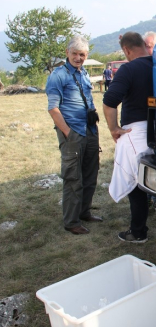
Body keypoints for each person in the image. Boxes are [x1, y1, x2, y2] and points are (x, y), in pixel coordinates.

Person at [45, 35, 102, 235]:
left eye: (83, 54)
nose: (79, 58)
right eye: (75, 54)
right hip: (73, 132)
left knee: (90, 174)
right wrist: (68, 133)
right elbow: (53, 108)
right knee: (73, 178)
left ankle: (84, 212)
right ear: (67, 53)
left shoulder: (83, 73)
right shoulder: (58, 75)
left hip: (90, 130)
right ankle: (71, 221)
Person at [103, 31, 154, 243]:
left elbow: (109, 101)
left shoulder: (128, 68)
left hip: (137, 132)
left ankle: (138, 231)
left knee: (136, 184)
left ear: (126, 50)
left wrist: (114, 128)